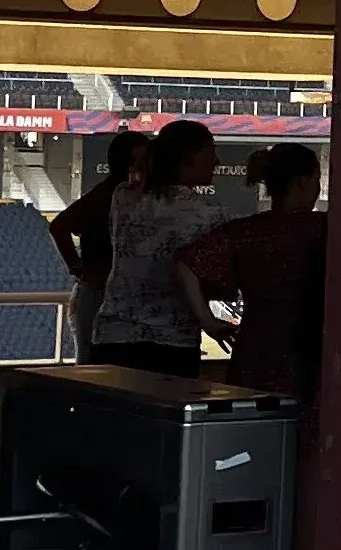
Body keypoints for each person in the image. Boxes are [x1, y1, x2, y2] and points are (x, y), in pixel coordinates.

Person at [177, 142, 328, 398]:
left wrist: (209, 323)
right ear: (301, 181)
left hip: (255, 351)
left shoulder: (244, 232)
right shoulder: (325, 229)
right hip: (314, 352)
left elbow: (186, 266)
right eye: (317, 179)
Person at [86, 120, 230, 366]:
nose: (216, 161)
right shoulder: (211, 215)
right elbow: (220, 285)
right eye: (211, 151)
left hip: (112, 337)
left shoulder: (122, 197)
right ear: (189, 156)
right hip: (172, 344)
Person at [49, 127, 145, 353]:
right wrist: (77, 267)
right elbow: (58, 226)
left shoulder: (109, 194)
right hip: (99, 293)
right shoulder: (105, 196)